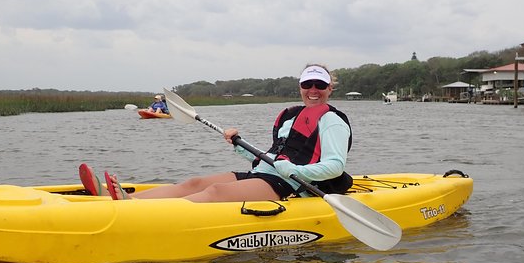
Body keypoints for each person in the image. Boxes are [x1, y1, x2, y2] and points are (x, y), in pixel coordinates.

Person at [79, 64, 352, 202]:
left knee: (216, 191)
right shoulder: (289, 116)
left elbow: (335, 166)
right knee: (194, 183)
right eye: (308, 84)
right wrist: (240, 146)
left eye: (320, 84)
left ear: (330, 89)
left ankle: (137, 212)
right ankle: (118, 199)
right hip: (266, 174)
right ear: (300, 86)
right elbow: (271, 156)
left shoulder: (332, 121)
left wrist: (294, 171)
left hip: (295, 186)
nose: (313, 90)